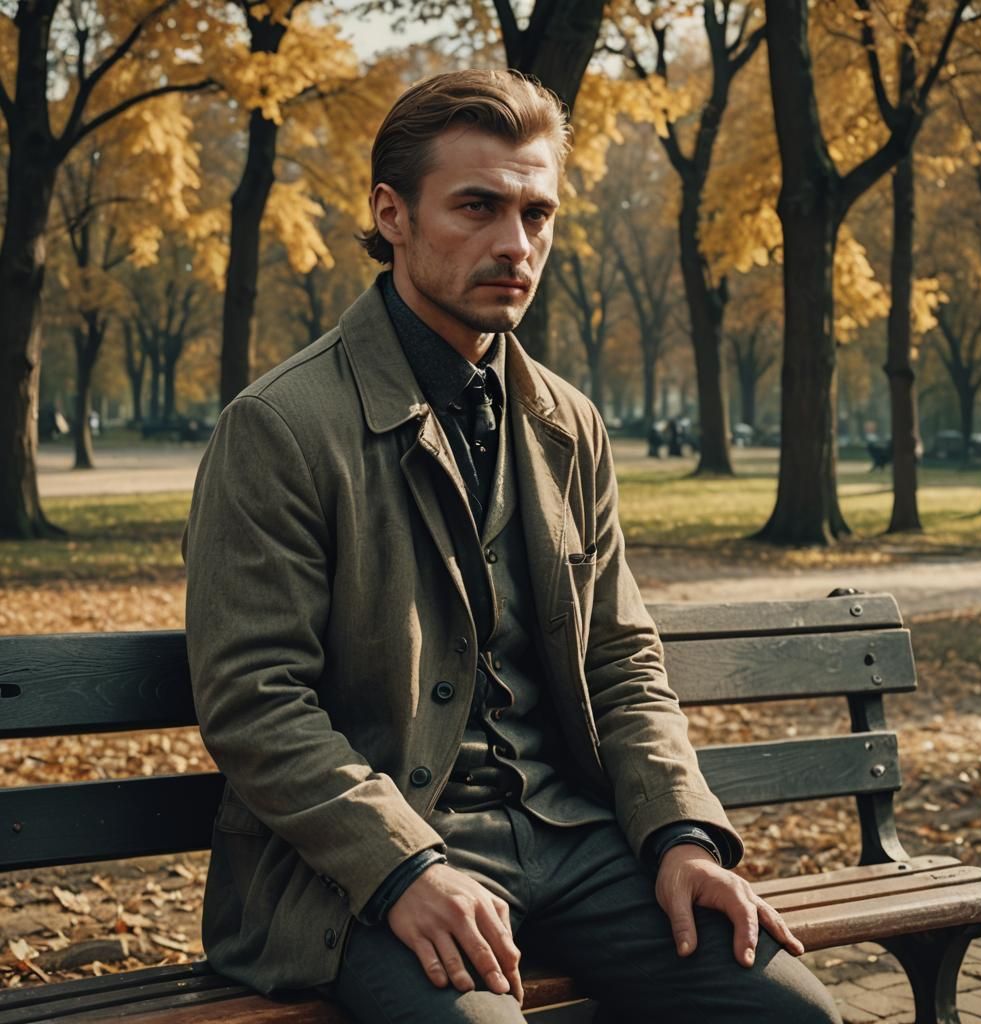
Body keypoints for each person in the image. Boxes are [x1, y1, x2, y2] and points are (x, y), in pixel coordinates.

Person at [183, 69, 840, 1024]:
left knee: (792, 1015)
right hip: (361, 870)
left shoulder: (570, 423)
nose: (515, 243)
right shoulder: (281, 427)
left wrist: (682, 838)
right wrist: (403, 866)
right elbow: (254, 700)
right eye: (478, 207)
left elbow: (621, 660)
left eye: (538, 213)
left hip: (574, 841)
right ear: (391, 213)